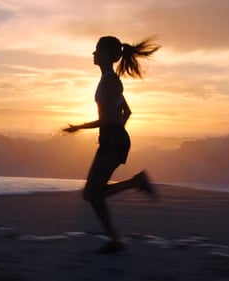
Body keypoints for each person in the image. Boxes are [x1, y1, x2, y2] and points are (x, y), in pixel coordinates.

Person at [63, 35, 160, 254]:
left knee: (91, 193)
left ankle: (137, 183)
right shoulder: (109, 79)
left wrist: (79, 127)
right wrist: (117, 129)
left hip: (113, 142)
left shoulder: (110, 81)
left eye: (97, 49)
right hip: (113, 139)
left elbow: (110, 118)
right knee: (92, 194)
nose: (93, 53)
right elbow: (126, 112)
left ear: (107, 54)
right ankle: (115, 239)